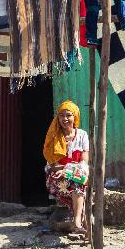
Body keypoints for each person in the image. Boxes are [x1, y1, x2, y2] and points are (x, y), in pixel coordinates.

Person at [43, 100, 89, 235]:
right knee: (77, 182)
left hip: (76, 174)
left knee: (77, 180)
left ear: (75, 117)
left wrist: (68, 170)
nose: (65, 119)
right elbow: (53, 165)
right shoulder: (53, 136)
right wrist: (65, 170)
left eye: (68, 115)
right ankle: (79, 222)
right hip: (56, 177)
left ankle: (77, 222)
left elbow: (84, 162)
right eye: (61, 115)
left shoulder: (82, 135)